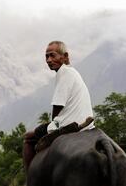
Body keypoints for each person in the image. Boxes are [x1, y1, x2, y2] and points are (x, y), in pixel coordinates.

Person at [23, 41, 95, 172]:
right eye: (46, 57)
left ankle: (29, 178)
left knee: (28, 137)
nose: (49, 60)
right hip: (87, 122)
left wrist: (53, 124)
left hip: (68, 123)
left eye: (53, 55)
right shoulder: (72, 72)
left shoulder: (64, 73)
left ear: (65, 56)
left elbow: (57, 105)